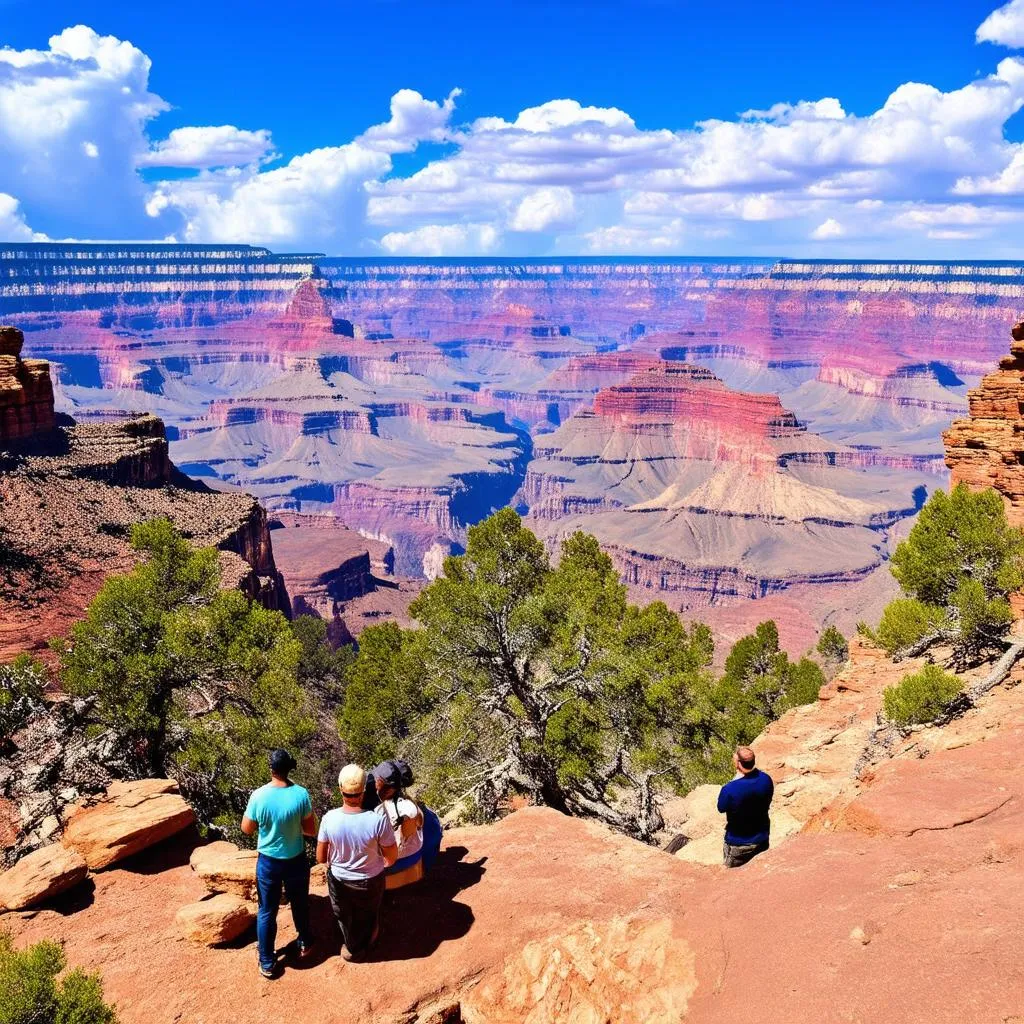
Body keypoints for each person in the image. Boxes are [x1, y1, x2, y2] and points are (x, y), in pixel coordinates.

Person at [241, 749, 318, 979]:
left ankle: (267, 960)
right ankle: (305, 941)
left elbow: (246, 828)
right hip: (295, 859)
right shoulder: (301, 795)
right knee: (300, 902)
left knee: (267, 910)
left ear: (271, 769)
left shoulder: (258, 796)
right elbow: (310, 830)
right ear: (289, 769)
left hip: (269, 862)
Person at [317, 764, 398, 960]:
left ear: (340, 789)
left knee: (343, 913)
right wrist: (380, 864)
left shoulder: (329, 819)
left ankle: (351, 945)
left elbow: (321, 857)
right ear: (364, 790)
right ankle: (369, 941)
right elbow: (391, 856)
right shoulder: (377, 820)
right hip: (370, 879)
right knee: (369, 913)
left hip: (340, 879)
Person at [717, 746, 774, 868]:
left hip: (738, 842)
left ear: (738, 764)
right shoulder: (766, 779)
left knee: (733, 877)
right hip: (762, 837)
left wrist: (734, 781)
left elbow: (721, 807)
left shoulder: (730, 789)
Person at [372, 760, 425, 889]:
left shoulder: (379, 811)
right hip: (414, 856)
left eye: (376, 780)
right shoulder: (411, 805)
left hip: (396, 864)